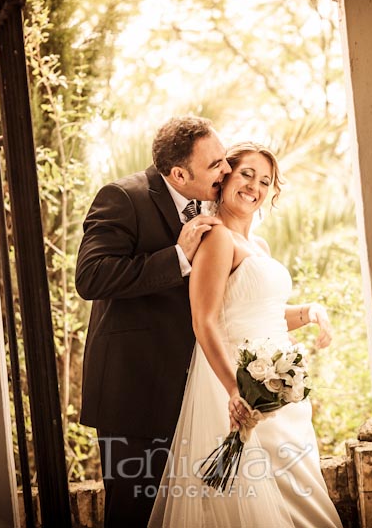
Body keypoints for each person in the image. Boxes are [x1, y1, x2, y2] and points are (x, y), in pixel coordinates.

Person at [148, 142, 343, 528]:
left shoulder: (259, 245)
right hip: (242, 386)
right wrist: (235, 390)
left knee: (299, 492)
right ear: (224, 178)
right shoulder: (217, 238)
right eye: (247, 174)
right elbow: (204, 320)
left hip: (278, 390)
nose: (255, 185)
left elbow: (260, 313)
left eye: (266, 180)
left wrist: (309, 311)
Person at [75, 116, 231, 527]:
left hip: (193, 396)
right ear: (179, 173)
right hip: (133, 395)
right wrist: (177, 258)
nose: (226, 170)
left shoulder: (214, 204)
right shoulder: (123, 197)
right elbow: (91, 277)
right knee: (134, 515)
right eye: (215, 164)